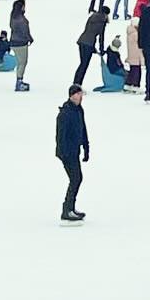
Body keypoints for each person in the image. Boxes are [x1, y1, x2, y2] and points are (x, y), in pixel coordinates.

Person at [55, 84, 89, 222]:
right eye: (78, 94)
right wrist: (64, 152)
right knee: (76, 178)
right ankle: (67, 209)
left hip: (75, 151)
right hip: (67, 153)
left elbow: (83, 130)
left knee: (77, 178)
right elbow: (60, 136)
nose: (81, 97)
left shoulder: (79, 110)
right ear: (72, 95)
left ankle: (70, 208)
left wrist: (86, 148)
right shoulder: (65, 113)